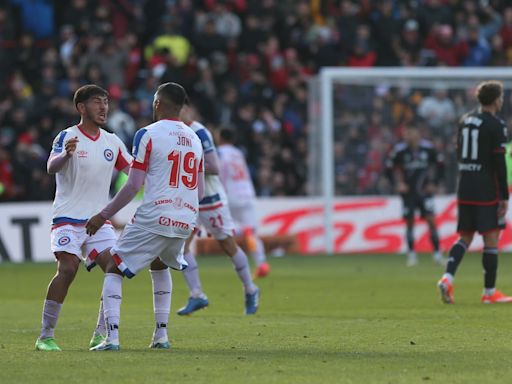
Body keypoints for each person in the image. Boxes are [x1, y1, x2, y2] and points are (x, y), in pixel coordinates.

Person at [85, 82, 205, 351]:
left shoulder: (147, 134)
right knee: (160, 264)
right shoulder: (195, 139)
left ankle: (111, 337)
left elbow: (133, 185)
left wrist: (102, 215)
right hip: (186, 218)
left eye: (153, 101)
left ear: (159, 104)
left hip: (156, 215)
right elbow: (201, 189)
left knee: (114, 267)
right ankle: (161, 336)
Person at [35, 84, 134, 351]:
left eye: (106, 102)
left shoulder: (112, 141)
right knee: (68, 269)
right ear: (81, 107)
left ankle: (100, 334)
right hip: (67, 217)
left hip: (98, 221)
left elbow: (135, 172)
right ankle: (45, 336)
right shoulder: (67, 136)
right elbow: (50, 166)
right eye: (97, 102)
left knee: (115, 268)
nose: (103, 107)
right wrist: (65, 155)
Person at [176, 110, 260, 316]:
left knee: (227, 244)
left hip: (211, 198)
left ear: (186, 109)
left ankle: (250, 289)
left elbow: (214, 167)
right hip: (189, 199)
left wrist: (187, 164)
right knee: (180, 246)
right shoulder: (174, 132)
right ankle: (197, 294)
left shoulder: (199, 132)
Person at [438, 80, 512, 304]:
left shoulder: (465, 120)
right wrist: (504, 196)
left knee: (465, 236)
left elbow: (459, 151)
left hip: (465, 184)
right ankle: (489, 293)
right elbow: (499, 163)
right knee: (491, 238)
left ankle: (447, 277)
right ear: (496, 99)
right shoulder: (496, 125)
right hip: (485, 187)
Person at [386, 125, 445, 266]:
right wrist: (397, 184)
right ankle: (411, 255)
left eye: (410, 133)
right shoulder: (399, 150)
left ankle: (437, 254)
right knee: (410, 222)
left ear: (418, 133)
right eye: (405, 133)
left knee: (431, 221)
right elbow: (388, 169)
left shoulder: (428, 148)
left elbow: (441, 165)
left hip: (425, 191)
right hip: (408, 193)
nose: (407, 136)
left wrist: (434, 183)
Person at [217, 128, 270, 277]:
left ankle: (239, 263)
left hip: (230, 194)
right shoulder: (238, 153)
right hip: (246, 192)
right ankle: (262, 263)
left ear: (219, 137)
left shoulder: (219, 152)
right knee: (250, 231)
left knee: (225, 230)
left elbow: (220, 173)